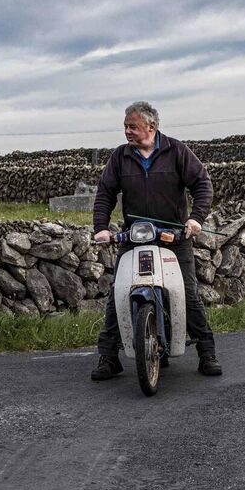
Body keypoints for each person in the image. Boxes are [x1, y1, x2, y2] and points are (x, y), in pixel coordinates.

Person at [90, 101, 222, 380]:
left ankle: (207, 353)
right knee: (119, 293)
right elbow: (105, 192)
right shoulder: (120, 156)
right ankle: (108, 357)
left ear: (151, 127)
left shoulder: (176, 151)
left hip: (175, 236)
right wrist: (100, 227)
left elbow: (202, 184)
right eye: (125, 126)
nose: (127, 131)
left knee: (187, 294)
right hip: (135, 237)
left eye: (132, 126)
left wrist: (195, 219)